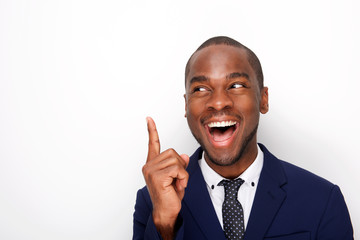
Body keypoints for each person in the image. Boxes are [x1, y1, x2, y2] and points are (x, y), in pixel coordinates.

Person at [132, 36, 353, 240]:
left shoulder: (322, 199)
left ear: (263, 100)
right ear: (186, 105)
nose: (218, 102)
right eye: (200, 88)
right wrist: (164, 226)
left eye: (236, 85)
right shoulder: (152, 200)